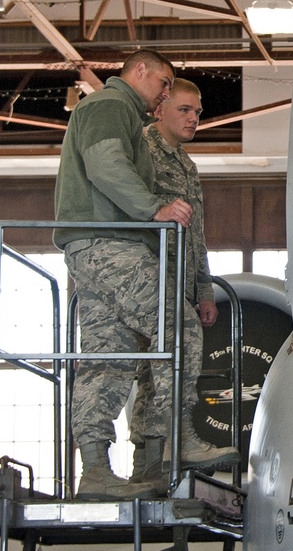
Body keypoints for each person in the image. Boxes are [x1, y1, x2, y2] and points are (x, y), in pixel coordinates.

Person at [54, 49, 234, 499]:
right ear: (139, 72)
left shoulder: (113, 113)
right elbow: (106, 166)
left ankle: (95, 469)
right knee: (178, 328)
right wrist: (152, 208)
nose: (165, 92)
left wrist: (200, 283)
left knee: (107, 357)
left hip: (91, 247)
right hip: (111, 243)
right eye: (164, 83)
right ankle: (175, 440)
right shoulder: (110, 106)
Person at [131, 78, 236, 489]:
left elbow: (197, 233)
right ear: (160, 110)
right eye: (184, 110)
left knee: (154, 371)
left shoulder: (186, 164)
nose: (194, 118)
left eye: (198, 111)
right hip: (145, 278)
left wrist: (204, 290)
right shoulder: (142, 151)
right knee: (157, 365)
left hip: (180, 282)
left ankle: (148, 470)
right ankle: (169, 447)